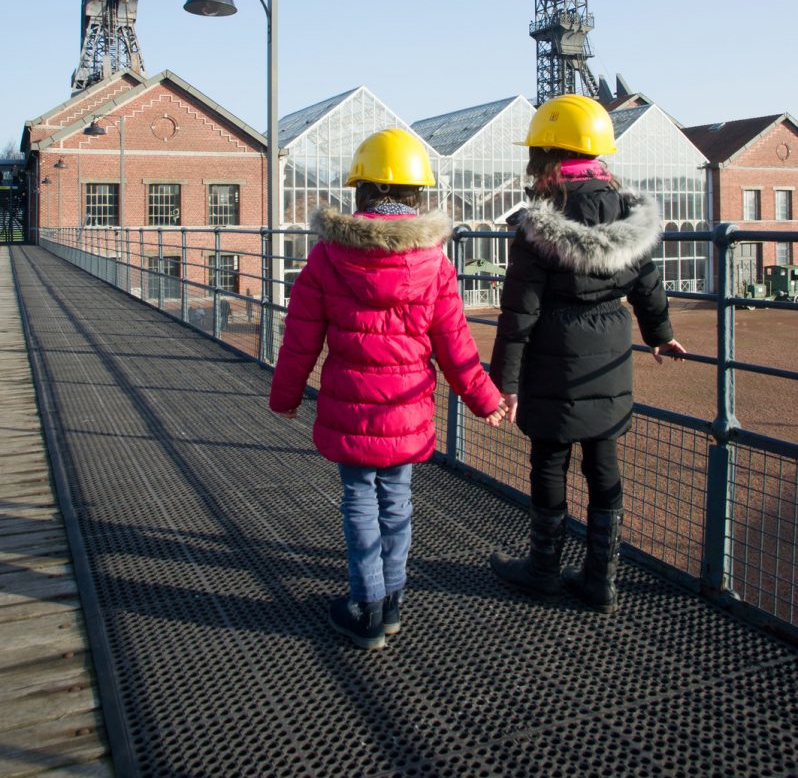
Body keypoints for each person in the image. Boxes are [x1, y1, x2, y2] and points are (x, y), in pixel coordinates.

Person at [269, 128, 508, 649]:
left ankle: (366, 604)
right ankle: (394, 600)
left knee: (358, 498)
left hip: (350, 407)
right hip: (406, 409)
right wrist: (484, 398)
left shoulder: (327, 257)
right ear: (417, 196)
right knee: (397, 499)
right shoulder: (436, 265)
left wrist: (285, 396)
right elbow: (456, 345)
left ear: (360, 192)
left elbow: (300, 339)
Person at [488, 95, 686, 615]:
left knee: (549, 460)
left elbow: (518, 315)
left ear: (547, 155)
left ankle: (543, 569)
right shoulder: (629, 214)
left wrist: (503, 383)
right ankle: (602, 581)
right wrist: (659, 334)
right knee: (603, 461)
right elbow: (647, 282)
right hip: (610, 352)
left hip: (554, 353)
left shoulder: (539, 224)